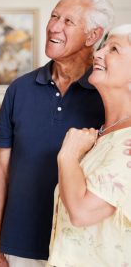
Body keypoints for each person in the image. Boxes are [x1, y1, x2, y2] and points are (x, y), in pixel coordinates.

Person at [0, 0, 114, 267]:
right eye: (54, 16)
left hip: (81, 252)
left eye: (68, 21)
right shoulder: (19, 89)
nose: (54, 26)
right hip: (19, 247)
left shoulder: (108, 95)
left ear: (93, 35)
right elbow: (0, 169)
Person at [47, 24, 131, 266]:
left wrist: (68, 155)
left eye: (113, 49)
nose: (99, 53)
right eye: (103, 46)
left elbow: (83, 212)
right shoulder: (106, 133)